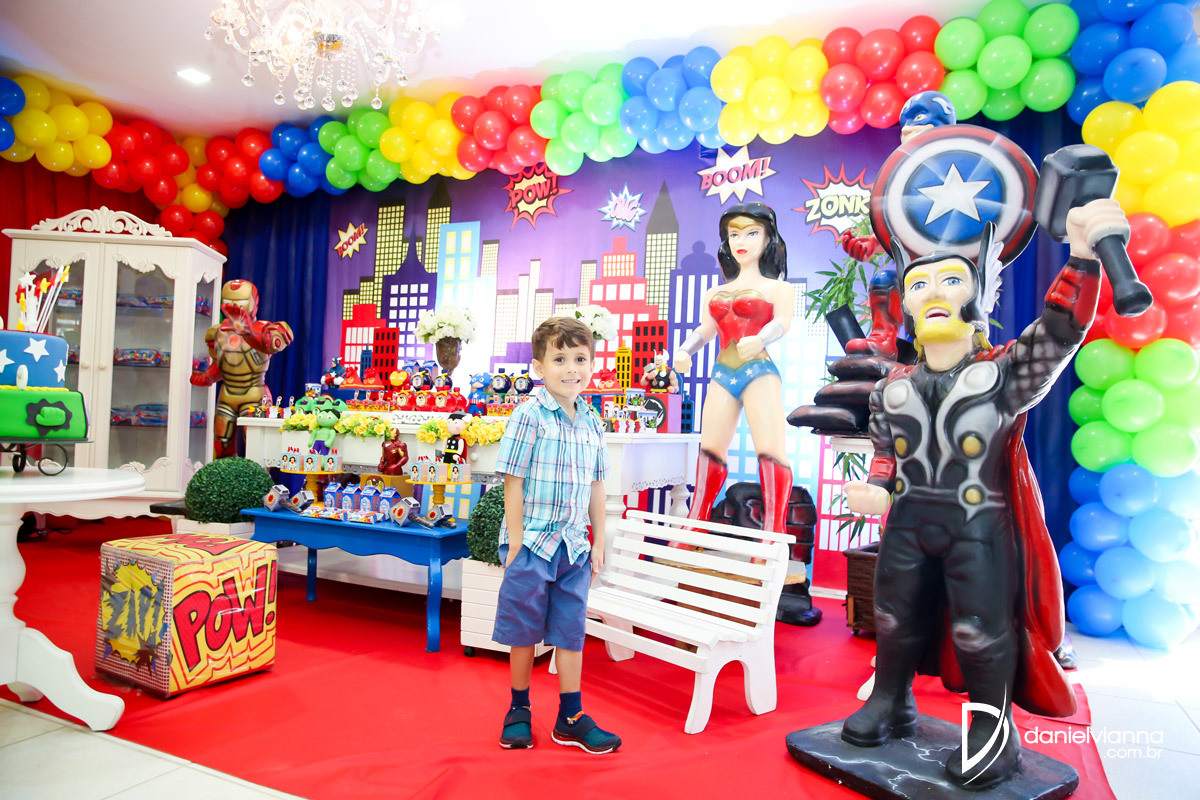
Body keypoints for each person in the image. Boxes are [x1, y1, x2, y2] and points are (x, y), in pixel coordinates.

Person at [840, 199, 1128, 789]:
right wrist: (876, 487)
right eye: (918, 284)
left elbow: (1059, 332)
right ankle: (890, 700)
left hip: (979, 526)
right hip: (909, 523)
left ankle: (991, 731)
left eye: (952, 280)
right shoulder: (890, 389)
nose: (933, 292)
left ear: (981, 296)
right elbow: (887, 453)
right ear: (905, 304)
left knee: (979, 629)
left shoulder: (1001, 375)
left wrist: (1081, 257)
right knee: (892, 616)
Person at [491, 316, 619, 753]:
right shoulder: (529, 415)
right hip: (532, 544)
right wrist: (515, 542)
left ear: (592, 364)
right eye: (560, 359)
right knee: (524, 630)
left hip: (574, 547)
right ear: (539, 367)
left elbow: (597, 486)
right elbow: (513, 481)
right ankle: (519, 709)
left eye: (580, 359)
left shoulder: (593, 422)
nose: (571, 369)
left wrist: (598, 541)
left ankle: (571, 717)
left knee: (570, 631)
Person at [673, 202, 795, 535]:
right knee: (710, 449)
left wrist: (761, 338)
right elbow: (706, 329)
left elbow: (783, 323)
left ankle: (773, 533)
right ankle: (696, 525)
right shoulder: (715, 291)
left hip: (758, 371)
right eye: (734, 234)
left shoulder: (779, 288)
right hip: (723, 373)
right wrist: (684, 350)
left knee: (770, 449)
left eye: (752, 233)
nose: (741, 241)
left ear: (768, 238)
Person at [190, 280, 293, 459]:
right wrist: (208, 377)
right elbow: (221, 365)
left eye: (240, 302)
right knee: (222, 447)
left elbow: (272, 344)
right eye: (228, 301)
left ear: (254, 302)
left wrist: (248, 332)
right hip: (227, 395)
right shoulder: (217, 332)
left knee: (257, 451)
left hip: (255, 394)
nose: (235, 307)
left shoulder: (267, 329)